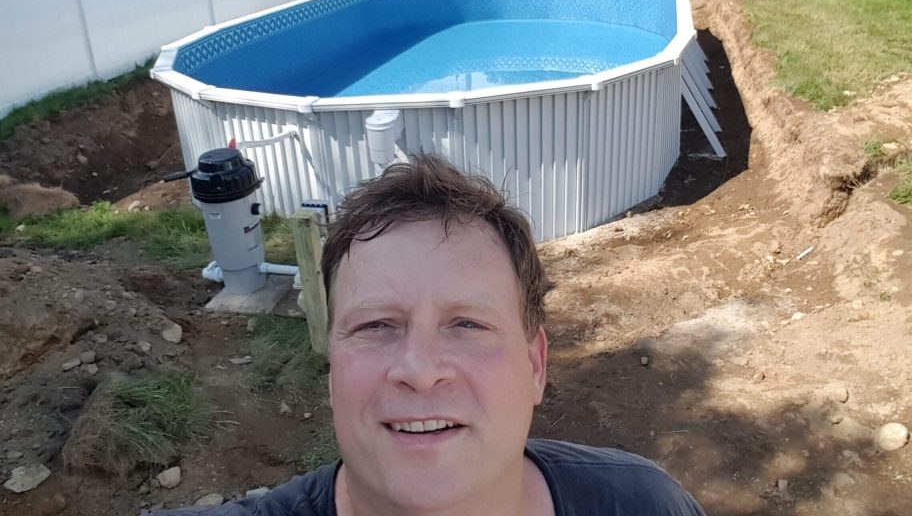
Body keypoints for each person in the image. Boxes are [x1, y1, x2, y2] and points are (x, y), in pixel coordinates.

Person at [154, 154, 705, 516]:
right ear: (333, 372)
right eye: (375, 325)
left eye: (467, 324)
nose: (419, 370)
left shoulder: (642, 504)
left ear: (535, 365)